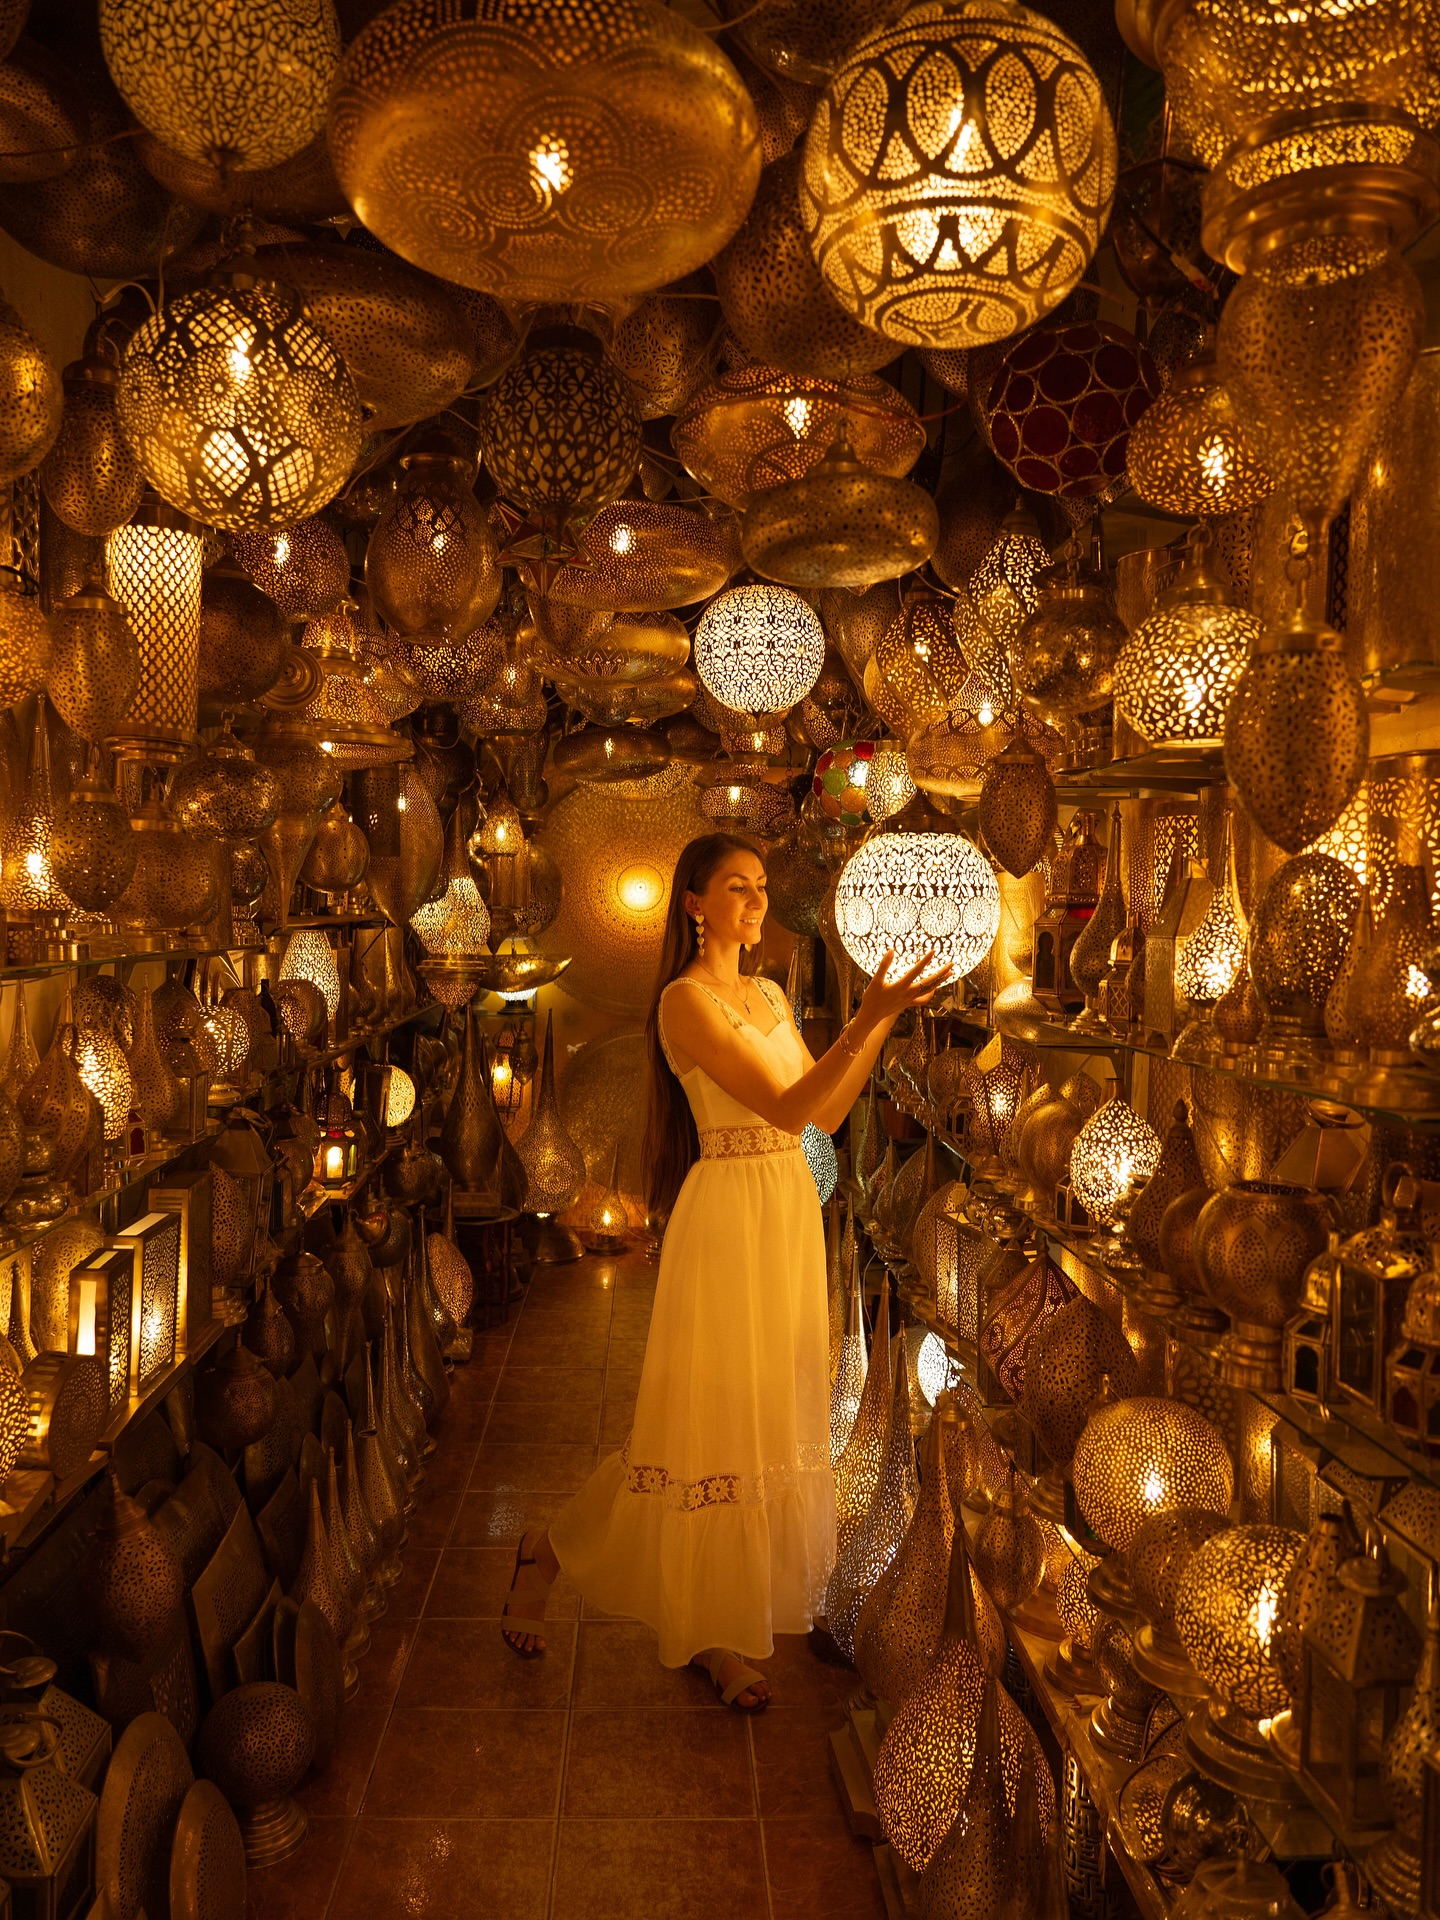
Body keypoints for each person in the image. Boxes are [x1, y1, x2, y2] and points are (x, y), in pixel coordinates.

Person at [500, 831, 950, 1710]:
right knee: (696, 1433)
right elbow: (784, 1104)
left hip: (783, 1206)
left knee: (762, 1420)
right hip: (727, 1213)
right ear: (695, 903)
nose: (756, 903)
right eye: (738, 887)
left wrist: (883, 1017)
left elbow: (821, 1112)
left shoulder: (773, 996)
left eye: (762, 888)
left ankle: (716, 1628)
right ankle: (550, 1553)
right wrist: (868, 1011)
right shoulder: (683, 1002)